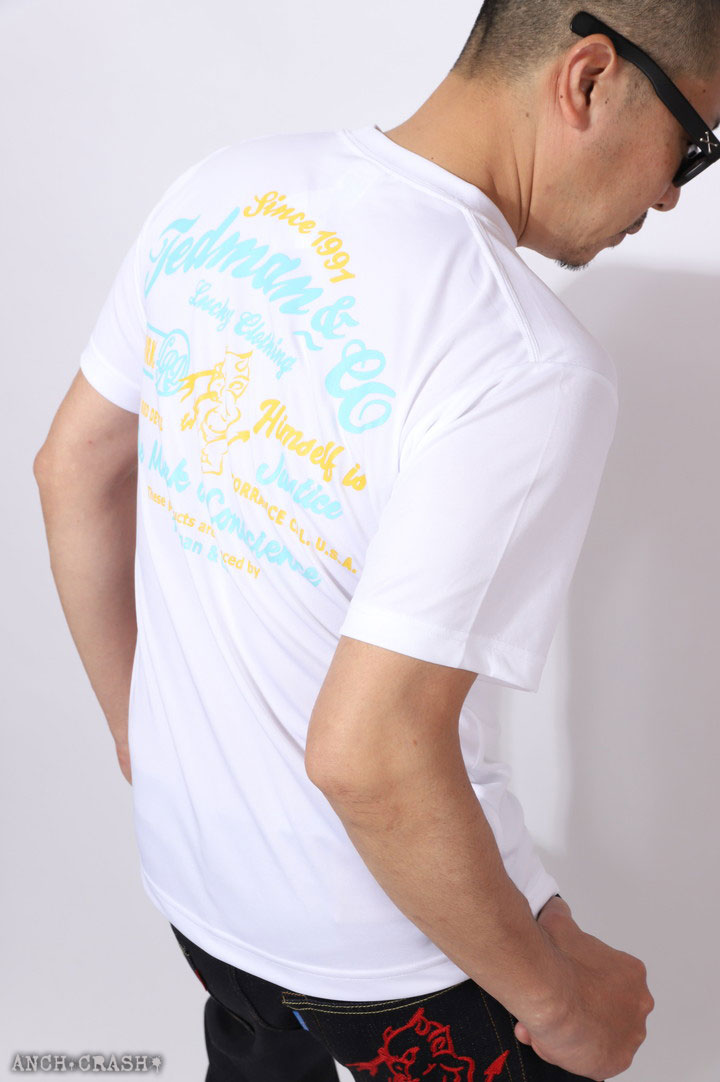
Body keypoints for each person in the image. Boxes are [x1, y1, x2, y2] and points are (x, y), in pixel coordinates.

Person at [33, 1, 720, 1079]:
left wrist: (147, 743)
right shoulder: (527, 360)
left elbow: (72, 467)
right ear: (590, 78)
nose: (675, 191)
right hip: (392, 954)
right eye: (695, 141)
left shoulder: (225, 186)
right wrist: (559, 1004)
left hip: (197, 892)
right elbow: (369, 754)